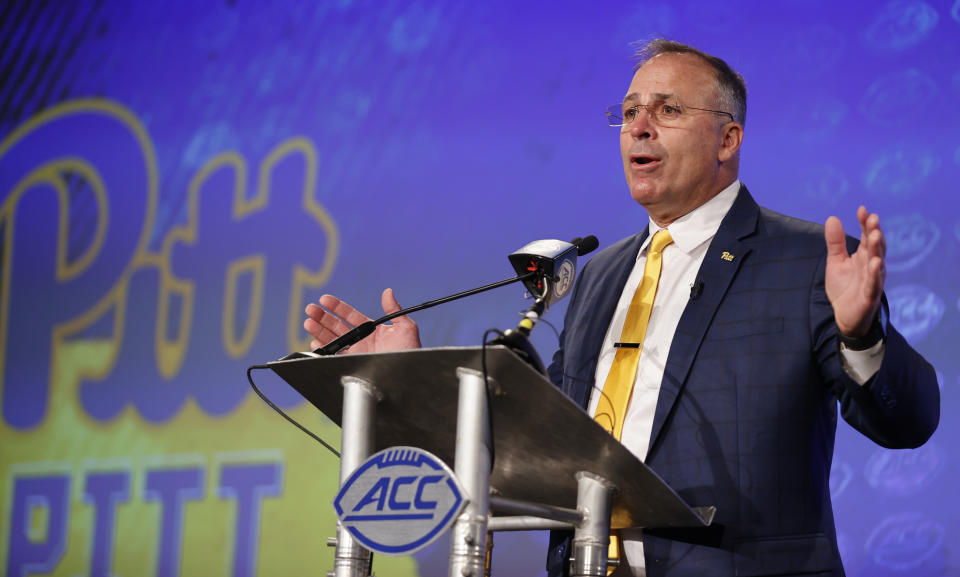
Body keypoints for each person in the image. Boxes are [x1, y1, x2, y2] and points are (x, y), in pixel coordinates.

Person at [304, 39, 939, 577]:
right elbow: (538, 437)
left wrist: (862, 337)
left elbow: (908, 422)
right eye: (630, 111)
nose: (638, 127)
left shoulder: (803, 259)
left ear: (729, 138)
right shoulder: (602, 273)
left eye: (667, 110)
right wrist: (412, 385)